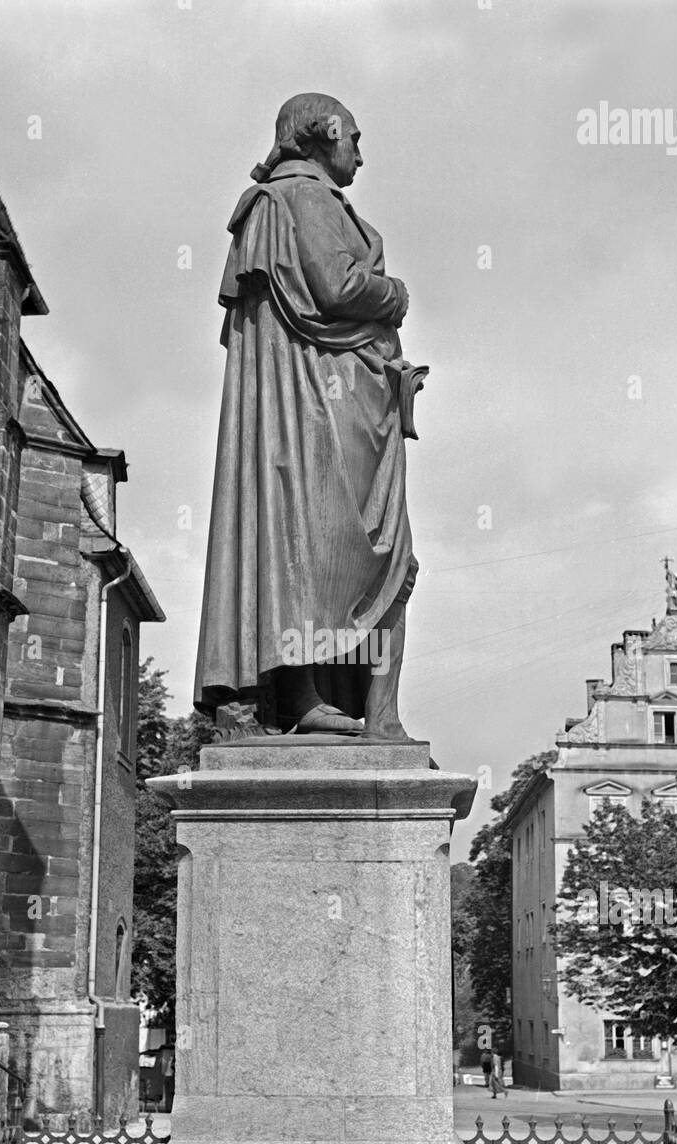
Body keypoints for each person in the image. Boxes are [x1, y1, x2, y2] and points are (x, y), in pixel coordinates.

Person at [194, 93, 423, 738]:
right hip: (323, 405)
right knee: (342, 552)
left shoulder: (288, 199)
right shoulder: (305, 198)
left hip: (329, 394)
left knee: (333, 552)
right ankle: (314, 701)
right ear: (324, 135)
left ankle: (356, 710)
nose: (360, 151)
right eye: (354, 136)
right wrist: (397, 295)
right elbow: (341, 288)